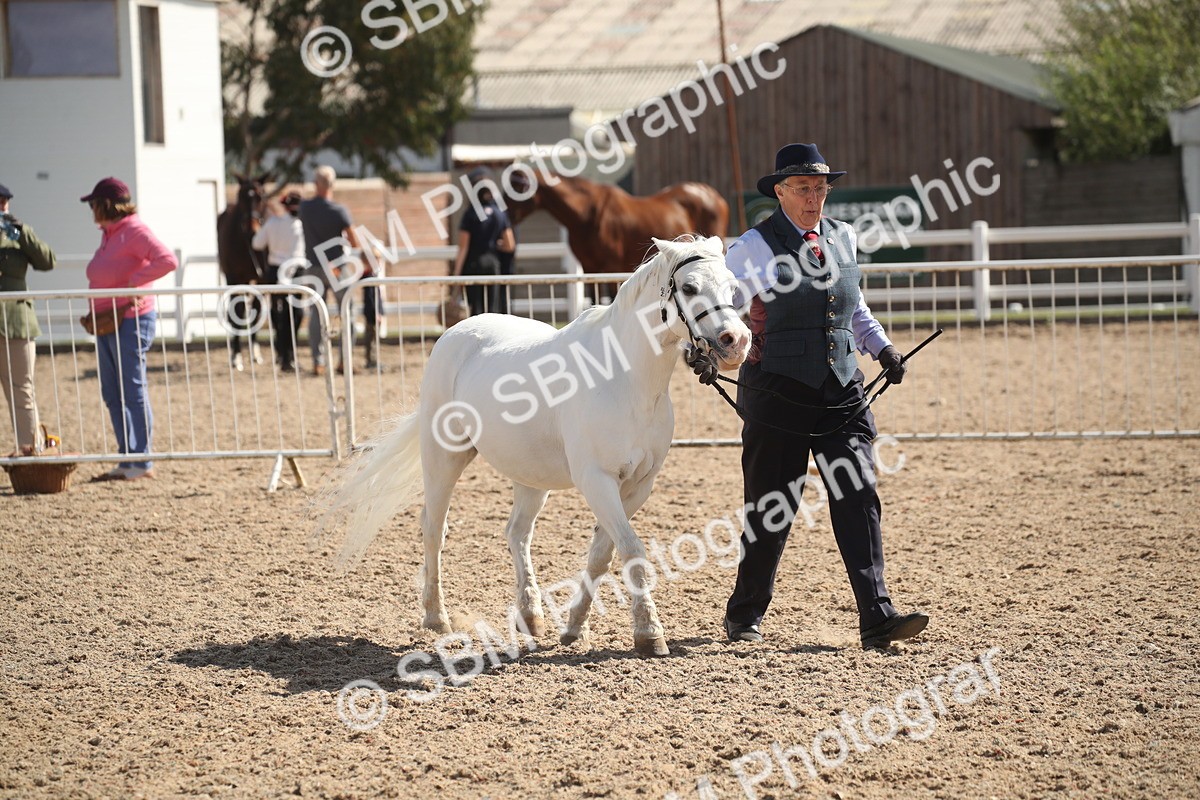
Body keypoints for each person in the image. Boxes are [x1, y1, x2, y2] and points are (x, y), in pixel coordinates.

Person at [698, 143, 928, 650]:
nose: (813, 198)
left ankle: (877, 614)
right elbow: (721, 312)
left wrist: (883, 348)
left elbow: (854, 306)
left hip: (841, 389)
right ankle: (744, 614)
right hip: (777, 391)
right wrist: (709, 352)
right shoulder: (753, 246)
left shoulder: (843, 237)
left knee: (858, 494)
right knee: (772, 506)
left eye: (820, 188)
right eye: (803, 188)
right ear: (780, 192)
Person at [81, 177, 177, 481]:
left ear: (106, 205)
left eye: (93, 204)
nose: (91, 209)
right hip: (107, 319)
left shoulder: (134, 230)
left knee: (132, 388)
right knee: (112, 391)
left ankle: (141, 458)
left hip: (131, 318)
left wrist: (135, 282)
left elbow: (167, 260)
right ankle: (127, 456)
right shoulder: (109, 234)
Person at [0, 182, 55, 455]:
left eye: (4, 202)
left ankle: (30, 449)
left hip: (15, 320)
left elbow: (47, 261)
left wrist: (23, 232)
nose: (1, 207)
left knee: (21, 388)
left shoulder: (17, 234)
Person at [299, 166, 360, 376]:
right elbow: (354, 241)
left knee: (316, 314)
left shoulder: (305, 208)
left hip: (313, 267)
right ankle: (344, 361)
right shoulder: (339, 211)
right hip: (336, 268)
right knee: (347, 312)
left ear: (315, 184)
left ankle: (318, 362)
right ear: (332, 184)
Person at [252, 191, 305, 372]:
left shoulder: (273, 223)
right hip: (295, 272)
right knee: (295, 313)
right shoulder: (300, 225)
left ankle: (282, 353)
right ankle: (289, 354)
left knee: (278, 312)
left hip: (275, 271)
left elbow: (257, 243)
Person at [452, 167, 515, 316]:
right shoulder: (500, 214)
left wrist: (456, 276)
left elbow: (463, 248)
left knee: (476, 310)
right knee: (493, 308)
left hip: (474, 264)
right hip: (493, 263)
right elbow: (510, 245)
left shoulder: (470, 214)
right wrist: (495, 245)